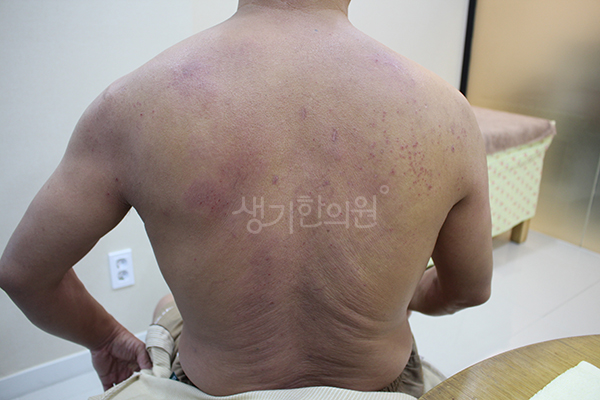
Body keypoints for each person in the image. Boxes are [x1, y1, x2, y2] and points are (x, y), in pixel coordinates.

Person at [0, 0, 493, 398]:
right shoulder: (448, 116)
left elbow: (24, 275)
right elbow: (469, 289)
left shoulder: (133, 105)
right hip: (376, 386)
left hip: (214, 389)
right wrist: (399, 296)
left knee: (166, 304)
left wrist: (107, 339)